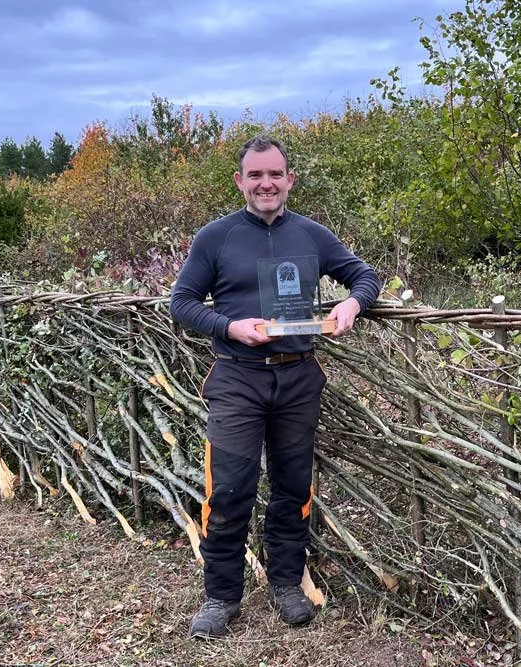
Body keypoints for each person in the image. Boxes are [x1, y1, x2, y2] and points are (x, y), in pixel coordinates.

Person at [169, 135, 381, 638]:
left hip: (298, 377)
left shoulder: (312, 235)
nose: (266, 184)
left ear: (290, 180)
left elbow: (364, 276)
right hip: (236, 378)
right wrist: (229, 326)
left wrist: (352, 304)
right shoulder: (216, 237)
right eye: (256, 175)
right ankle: (221, 597)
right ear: (240, 181)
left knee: (292, 486)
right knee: (228, 490)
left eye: (275, 174)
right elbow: (181, 302)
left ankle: (287, 584)